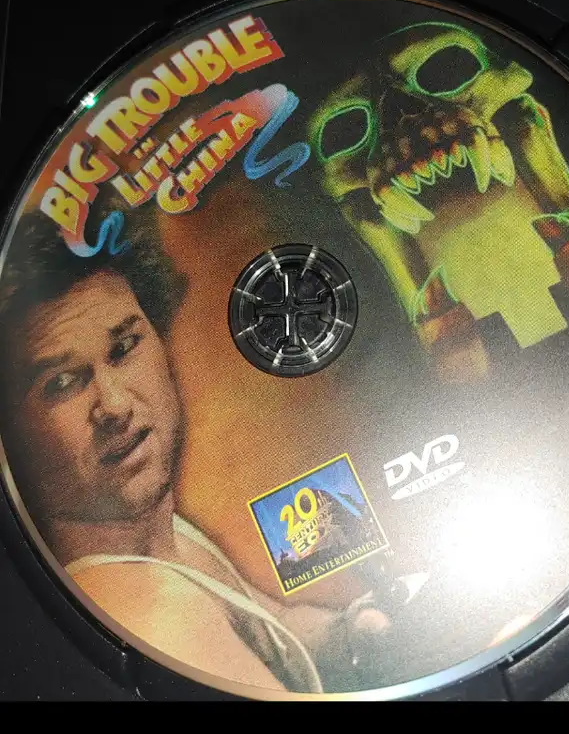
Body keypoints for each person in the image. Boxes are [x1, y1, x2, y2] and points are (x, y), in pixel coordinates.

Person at [0, 210, 390, 694]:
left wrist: (359, 624)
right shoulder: (152, 607)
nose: (114, 405)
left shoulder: (156, 541)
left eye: (124, 347)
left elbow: (279, 630)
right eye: (61, 383)